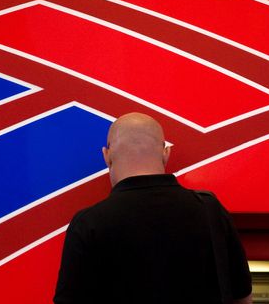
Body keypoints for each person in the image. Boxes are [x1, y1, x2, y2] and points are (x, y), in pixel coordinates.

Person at [54, 112, 253, 304]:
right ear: (166, 152)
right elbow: (242, 296)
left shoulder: (88, 223)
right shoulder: (210, 210)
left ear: (107, 156)